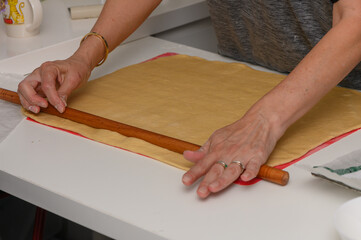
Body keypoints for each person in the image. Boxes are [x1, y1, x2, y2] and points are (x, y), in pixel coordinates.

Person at [17, 0, 361, 199]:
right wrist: (84, 57)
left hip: (345, 101)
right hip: (241, 75)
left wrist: (265, 120)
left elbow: (356, 19)